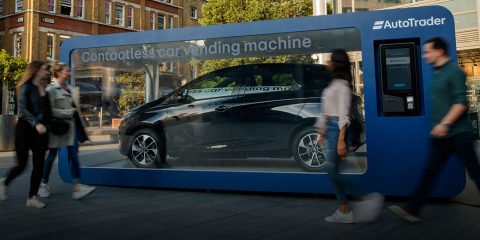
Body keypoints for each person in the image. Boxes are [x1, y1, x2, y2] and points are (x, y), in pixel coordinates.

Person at [389, 37, 480, 223]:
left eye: (427, 51)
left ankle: (412, 208)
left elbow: (461, 102)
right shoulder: (437, 73)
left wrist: (444, 123)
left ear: (439, 51)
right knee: (429, 172)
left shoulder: (453, 71)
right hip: (441, 136)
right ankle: (412, 209)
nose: (424, 55)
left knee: (475, 172)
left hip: (458, 133)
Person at [316, 49, 383, 224]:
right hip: (330, 129)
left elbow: (344, 116)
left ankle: (363, 196)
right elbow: (326, 111)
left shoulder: (343, 86)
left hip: (338, 130)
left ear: (337, 64)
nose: (328, 63)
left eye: (331, 61)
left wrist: (340, 141)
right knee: (333, 171)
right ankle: (344, 210)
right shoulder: (334, 83)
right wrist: (321, 132)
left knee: (331, 170)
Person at [38, 62, 95, 200]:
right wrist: (68, 112)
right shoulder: (51, 90)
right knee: (51, 156)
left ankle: (77, 187)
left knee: (74, 156)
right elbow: (49, 111)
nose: (69, 73)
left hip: (71, 128)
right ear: (58, 73)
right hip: (57, 128)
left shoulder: (71, 88)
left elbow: (77, 111)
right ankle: (43, 184)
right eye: (66, 71)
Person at [0, 61, 51, 208]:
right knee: (22, 164)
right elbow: (24, 109)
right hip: (25, 128)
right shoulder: (26, 87)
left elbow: (47, 112)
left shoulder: (43, 89)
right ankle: (5, 182)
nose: (46, 72)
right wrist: (36, 123)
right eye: (43, 69)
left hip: (40, 131)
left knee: (39, 164)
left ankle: (32, 197)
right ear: (35, 71)